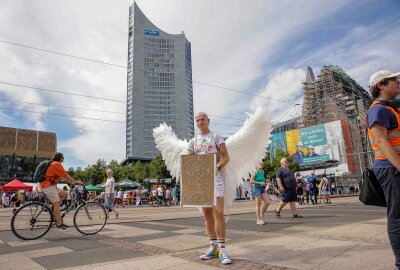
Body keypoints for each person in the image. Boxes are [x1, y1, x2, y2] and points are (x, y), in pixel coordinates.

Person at [187, 111, 232, 265]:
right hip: (201, 180)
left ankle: (223, 249)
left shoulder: (216, 137)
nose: (200, 122)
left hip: (215, 178)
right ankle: (213, 248)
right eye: (197, 120)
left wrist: (217, 166)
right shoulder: (193, 141)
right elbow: (189, 161)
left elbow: (226, 157)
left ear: (208, 120)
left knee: (218, 212)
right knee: (207, 214)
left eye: (202, 119)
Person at [366, 70, 400, 268]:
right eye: (394, 80)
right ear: (381, 85)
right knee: (397, 215)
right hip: (391, 168)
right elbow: (380, 140)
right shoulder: (378, 109)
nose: (398, 82)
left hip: (393, 166)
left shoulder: (391, 107)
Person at [39, 152, 82, 229]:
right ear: (60, 158)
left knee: (65, 194)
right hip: (47, 186)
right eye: (63, 157)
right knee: (57, 204)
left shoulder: (54, 164)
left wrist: (73, 183)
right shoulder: (56, 164)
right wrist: (75, 181)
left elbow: (64, 178)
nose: (64, 159)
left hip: (51, 186)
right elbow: (66, 175)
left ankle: (53, 208)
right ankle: (59, 223)